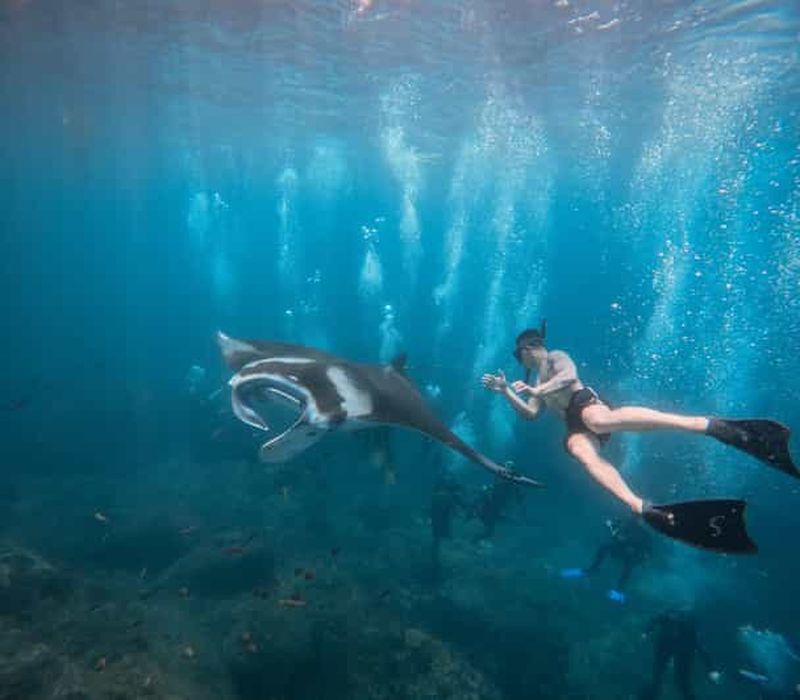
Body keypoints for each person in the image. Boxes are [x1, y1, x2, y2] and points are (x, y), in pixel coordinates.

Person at [481, 321, 797, 552]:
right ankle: (641, 507)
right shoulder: (536, 378)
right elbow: (530, 414)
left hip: (585, 404)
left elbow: (570, 376)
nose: (519, 362)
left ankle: (709, 426)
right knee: (580, 450)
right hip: (572, 424)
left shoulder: (554, 358)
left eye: (518, 356)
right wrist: (507, 390)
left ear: (526, 349)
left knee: (599, 420)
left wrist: (538, 389)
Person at [560, 514, 652, 603]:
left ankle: (619, 590)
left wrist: (642, 557)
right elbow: (616, 531)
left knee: (628, 566)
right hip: (621, 550)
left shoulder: (643, 533)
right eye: (635, 518)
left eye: (637, 518)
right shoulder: (628, 524)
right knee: (605, 549)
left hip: (631, 554)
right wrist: (610, 525)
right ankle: (593, 570)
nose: (634, 520)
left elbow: (645, 550)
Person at [639, 609, 718, 700]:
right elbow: (654, 620)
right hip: (666, 650)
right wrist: (646, 632)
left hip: (681, 655)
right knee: (657, 677)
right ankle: (651, 694)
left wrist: (711, 669)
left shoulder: (688, 631)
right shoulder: (666, 622)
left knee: (682, 682)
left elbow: (700, 648)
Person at [429, 470, 467, 576]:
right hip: (444, 521)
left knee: (436, 540)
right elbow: (454, 510)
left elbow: (430, 510)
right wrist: (459, 515)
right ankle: (441, 564)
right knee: (445, 539)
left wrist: (430, 518)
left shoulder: (435, 496)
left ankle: (435, 562)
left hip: (436, 521)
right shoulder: (448, 497)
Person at [470, 474, 526, 541]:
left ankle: (476, 539)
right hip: (492, 509)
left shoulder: (485, 516)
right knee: (490, 530)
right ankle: (476, 539)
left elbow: (483, 500)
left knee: (490, 530)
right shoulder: (494, 491)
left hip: (493, 508)